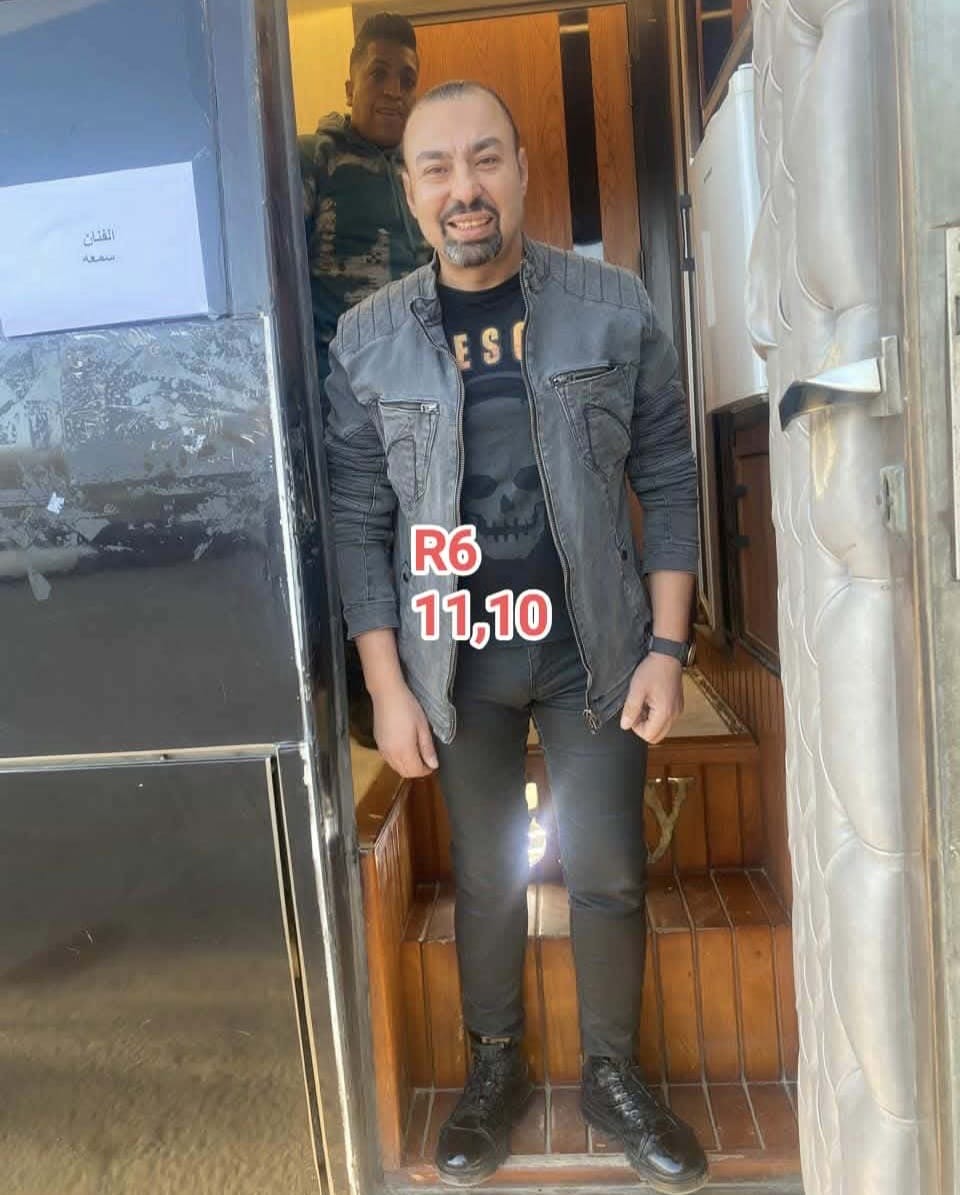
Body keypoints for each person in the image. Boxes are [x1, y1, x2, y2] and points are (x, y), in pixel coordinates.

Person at [323, 81, 708, 1194]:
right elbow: (357, 521)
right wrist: (386, 684)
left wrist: (667, 648)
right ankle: (495, 1067)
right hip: (455, 659)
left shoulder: (612, 305)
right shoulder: (367, 339)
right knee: (488, 876)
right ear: (410, 192)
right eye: (437, 168)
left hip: (594, 647)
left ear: (523, 169)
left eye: (485, 159)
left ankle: (611, 1075)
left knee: (609, 871)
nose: (465, 189)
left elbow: (668, 474)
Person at [300, 12, 431, 746]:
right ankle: (361, 704)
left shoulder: (423, 168)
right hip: (341, 402)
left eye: (407, 78)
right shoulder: (313, 161)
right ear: (350, 81)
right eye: (378, 72)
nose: (393, 89)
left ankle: (424, 682)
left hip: (421, 398)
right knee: (352, 543)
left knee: (422, 539)